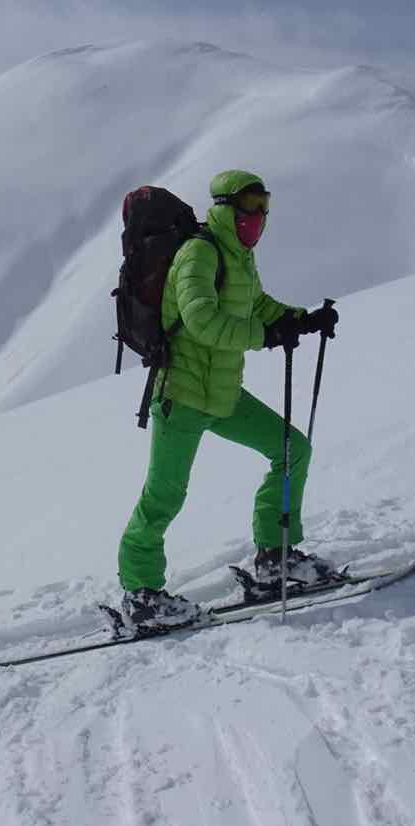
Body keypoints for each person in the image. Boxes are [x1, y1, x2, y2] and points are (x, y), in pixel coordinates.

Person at [117, 170, 340, 629]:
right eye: (250, 203)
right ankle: (141, 595)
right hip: (181, 393)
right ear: (225, 206)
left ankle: (274, 556)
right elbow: (201, 320)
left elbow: (257, 307)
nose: (258, 214)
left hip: (222, 393)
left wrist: (303, 320)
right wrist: (266, 336)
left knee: (291, 450)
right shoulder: (198, 253)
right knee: (164, 496)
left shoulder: (239, 258)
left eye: (265, 204)